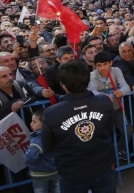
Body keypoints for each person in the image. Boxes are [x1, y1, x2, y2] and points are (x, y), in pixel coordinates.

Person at [41, 61, 116, 193]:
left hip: (76, 171)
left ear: (63, 85)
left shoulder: (52, 113)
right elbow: (108, 129)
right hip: (94, 168)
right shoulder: (104, 102)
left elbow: (48, 145)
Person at [24, 109, 59, 193]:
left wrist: (26, 157)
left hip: (39, 173)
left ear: (44, 123)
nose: (30, 124)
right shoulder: (56, 134)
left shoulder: (37, 139)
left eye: (34, 122)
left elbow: (30, 158)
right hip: (56, 170)